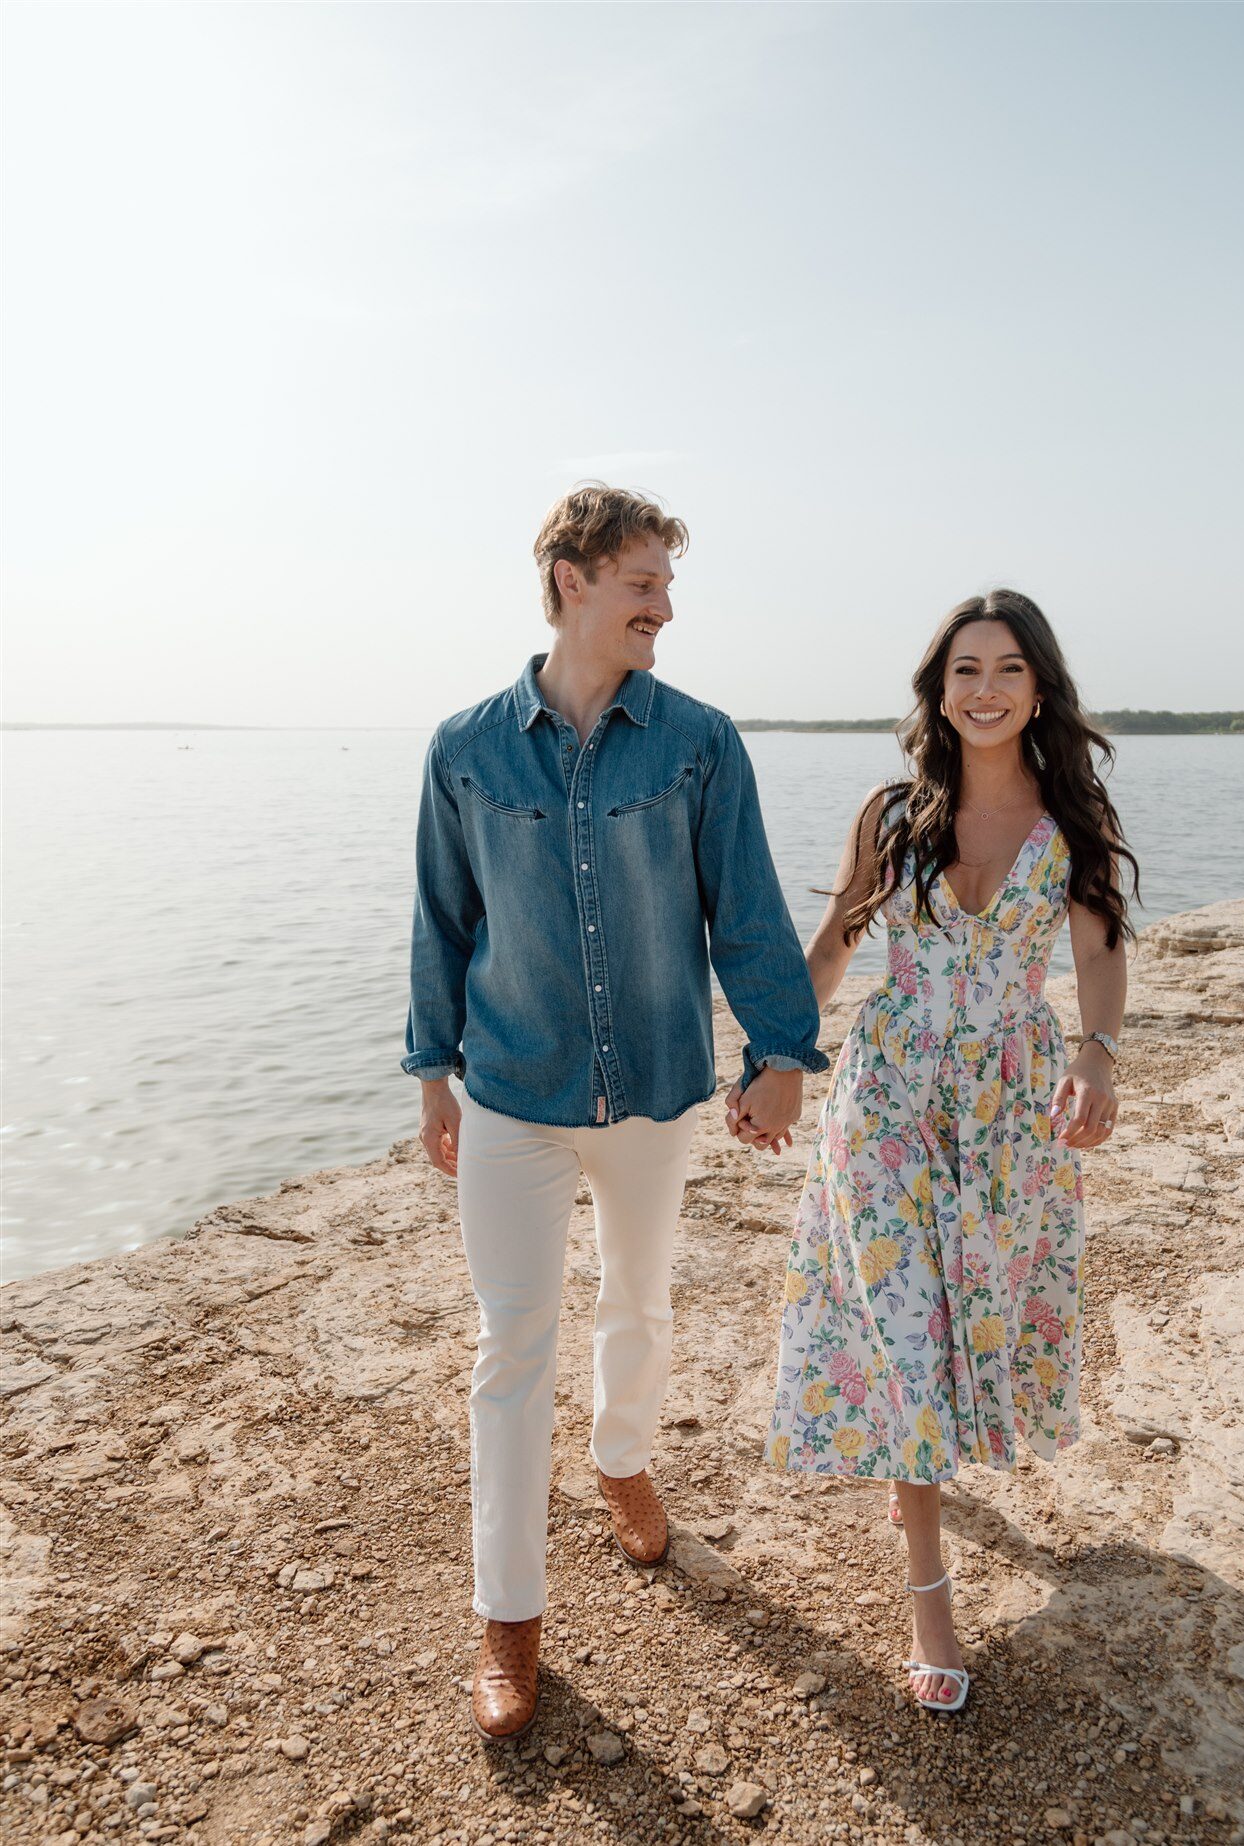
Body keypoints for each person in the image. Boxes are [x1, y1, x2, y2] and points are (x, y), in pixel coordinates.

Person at [402, 484, 828, 1741]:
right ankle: (509, 1617)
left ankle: (624, 1458)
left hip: (651, 1085)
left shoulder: (698, 741)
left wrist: (782, 1050)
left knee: (640, 1300)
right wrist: (434, 1072)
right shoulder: (464, 747)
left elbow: (743, 906)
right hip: (512, 1092)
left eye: (667, 586)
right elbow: (441, 916)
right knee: (511, 1344)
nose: (665, 606)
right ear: (571, 580)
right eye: (644, 582)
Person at [750, 588, 1136, 1714]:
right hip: (885, 1101)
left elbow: (1102, 955)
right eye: (964, 669)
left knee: (977, 1316)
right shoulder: (892, 811)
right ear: (939, 688)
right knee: (907, 1327)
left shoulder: (1072, 819)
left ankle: (914, 1477)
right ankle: (930, 1598)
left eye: (1007, 668)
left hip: (1010, 1110)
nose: (984, 689)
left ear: (1040, 687)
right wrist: (774, 1055)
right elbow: (830, 949)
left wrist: (1097, 1055)